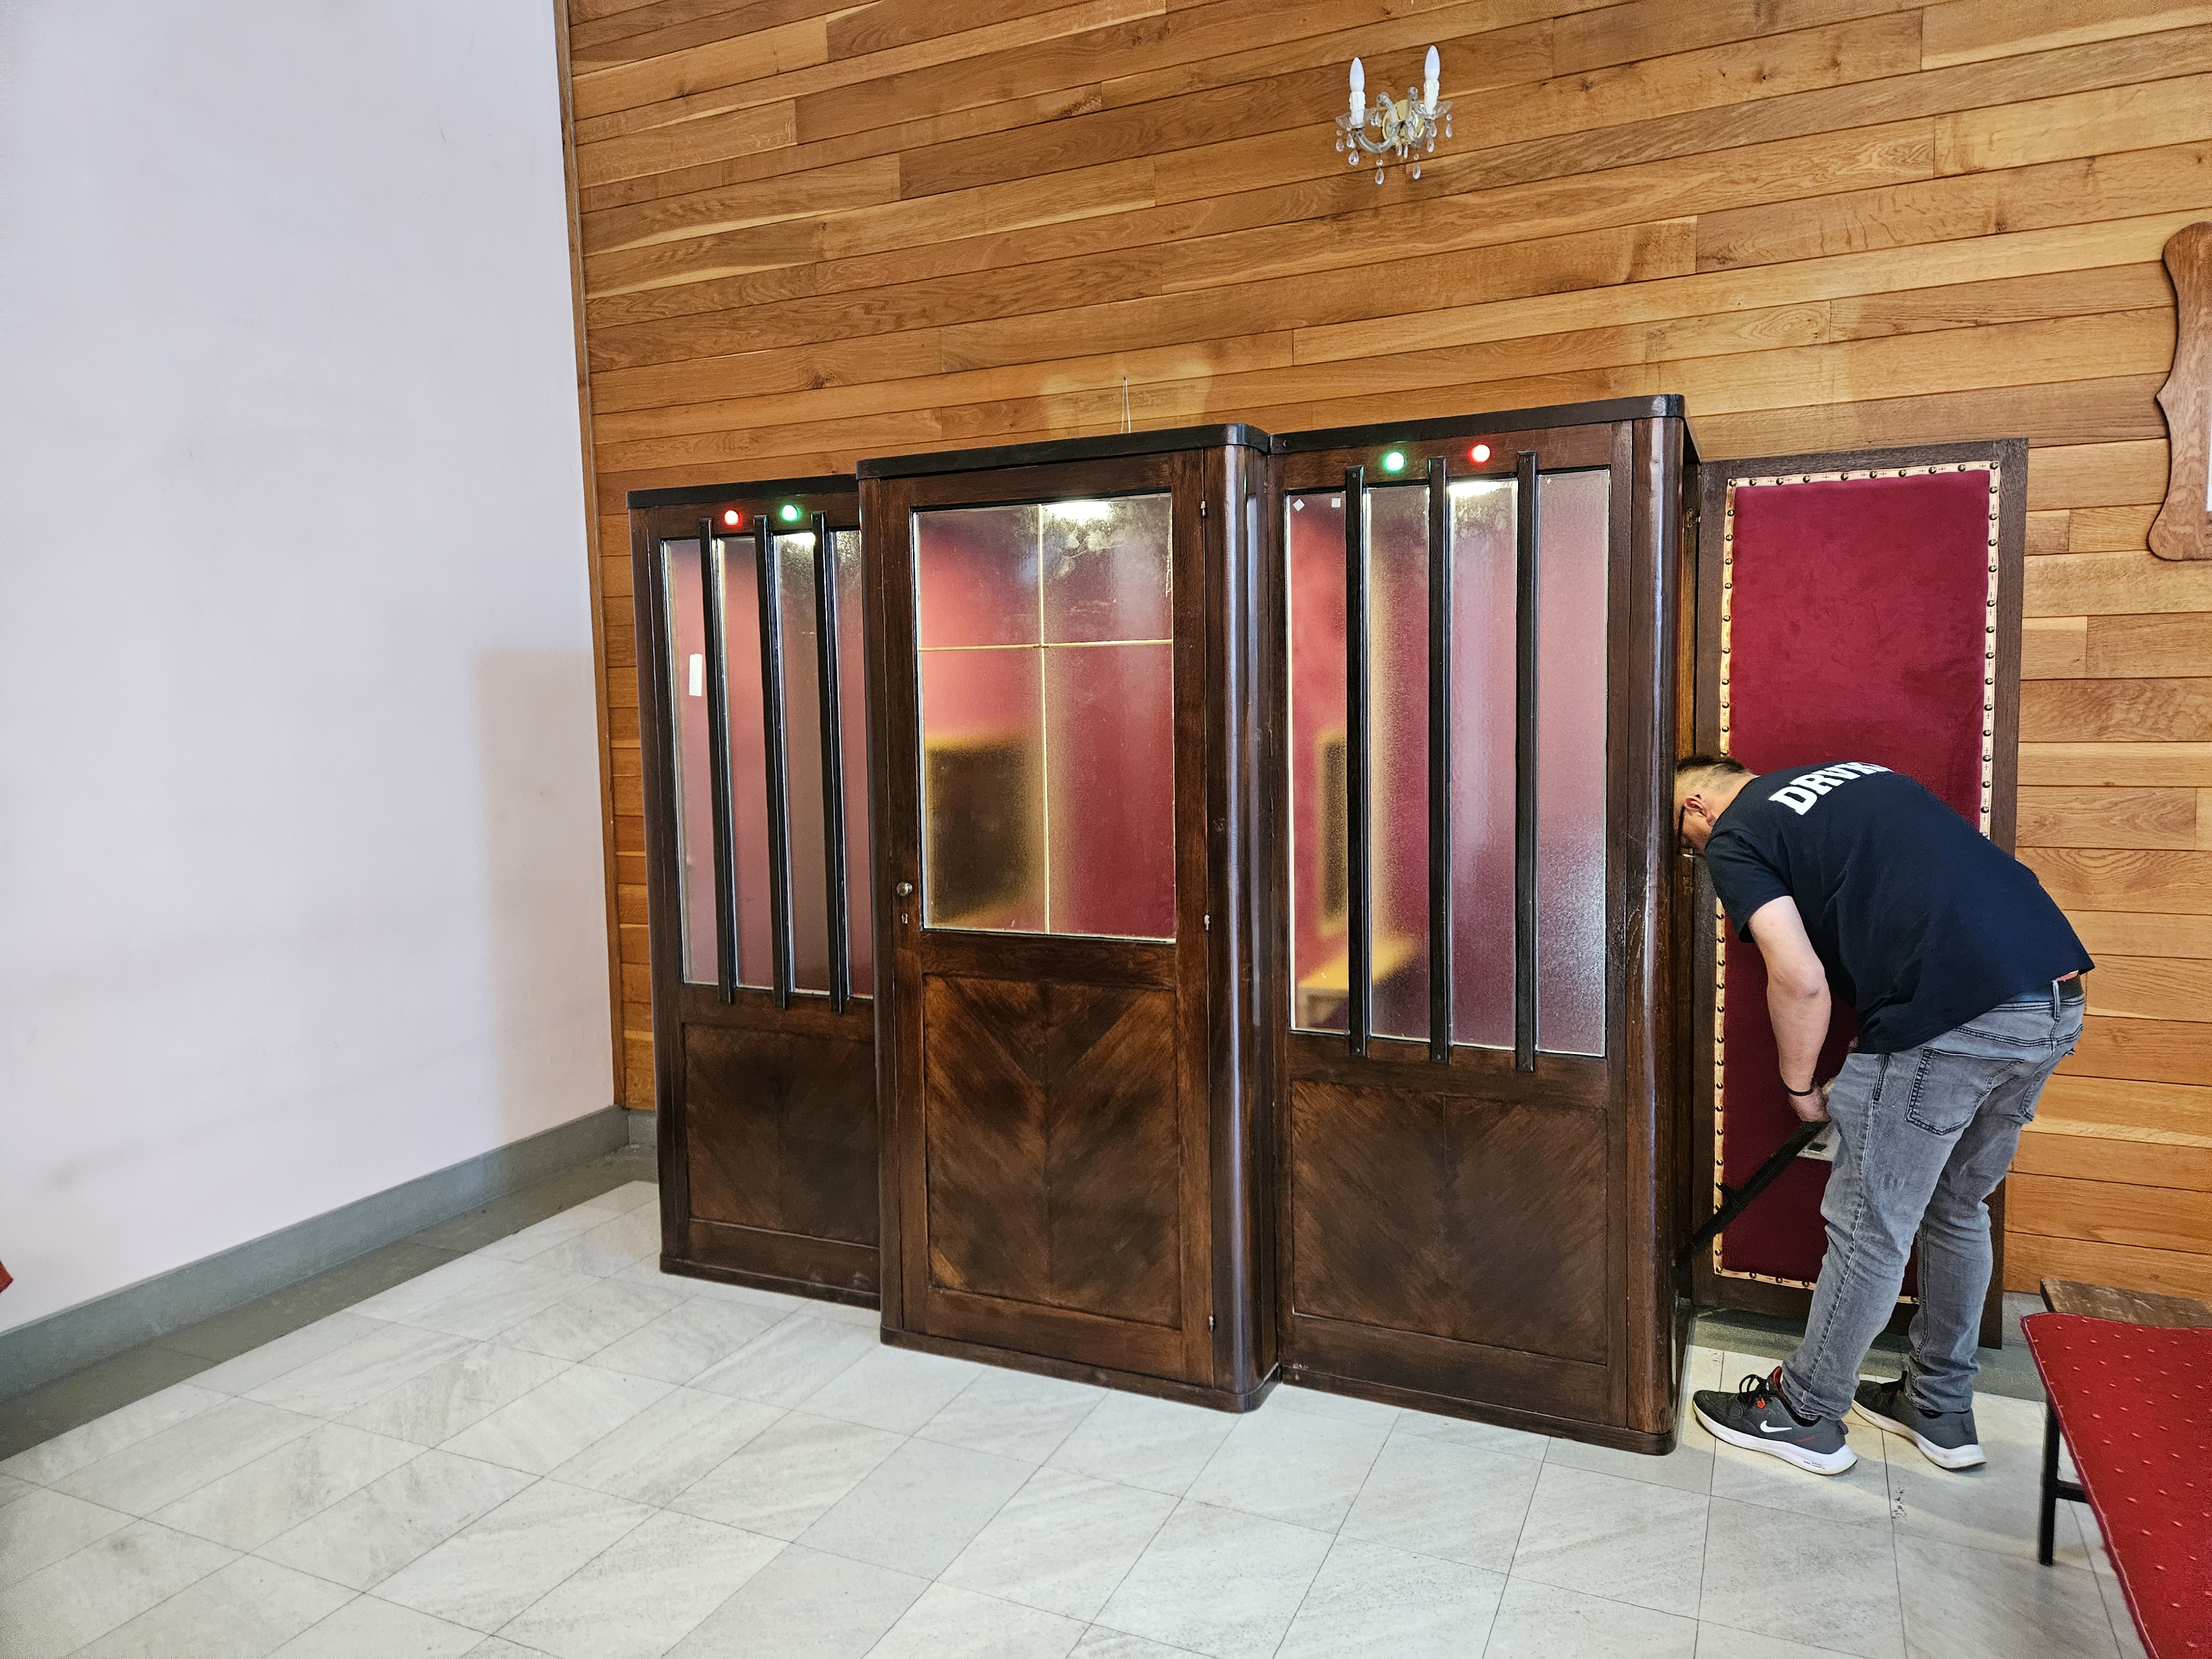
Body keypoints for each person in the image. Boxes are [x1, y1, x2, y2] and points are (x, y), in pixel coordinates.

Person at [1675, 754, 2090, 1477]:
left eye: (1687, 844)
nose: (1697, 855)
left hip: (1951, 1016)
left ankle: (1804, 1413)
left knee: (1872, 1226)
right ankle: (1938, 1404)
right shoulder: (1858, 775)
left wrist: (1800, 1087)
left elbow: (1800, 978)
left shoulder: (1738, 831)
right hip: (2053, 1001)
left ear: (1698, 807)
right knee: (1958, 1208)